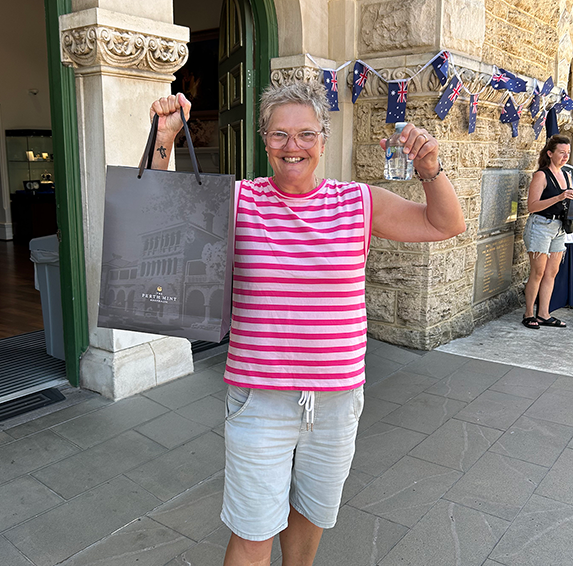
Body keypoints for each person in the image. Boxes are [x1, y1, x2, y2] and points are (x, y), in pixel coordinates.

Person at [149, 83, 465, 566]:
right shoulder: (240, 200)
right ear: (264, 139)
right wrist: (165, 139)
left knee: (312, 514)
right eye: (279, 134)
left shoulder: (358, 202)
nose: (292, 146)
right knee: (253, 531)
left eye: (305, 134)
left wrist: (429, 171)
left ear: (323, 139)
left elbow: (445, 224)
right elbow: (160, 213)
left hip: (336, 399)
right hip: (260, 395)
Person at [522, 134, 573, 329]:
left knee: (552, 272)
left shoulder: (566, 175)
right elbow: (532, 206)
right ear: (550, 153)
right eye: (561, 153)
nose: (565, 156)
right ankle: (528, 313)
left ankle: (544, 313)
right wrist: (559, 197)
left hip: (559, 229)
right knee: (538, 272)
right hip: (540, 227)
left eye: (567, 153)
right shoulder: (541, 175)